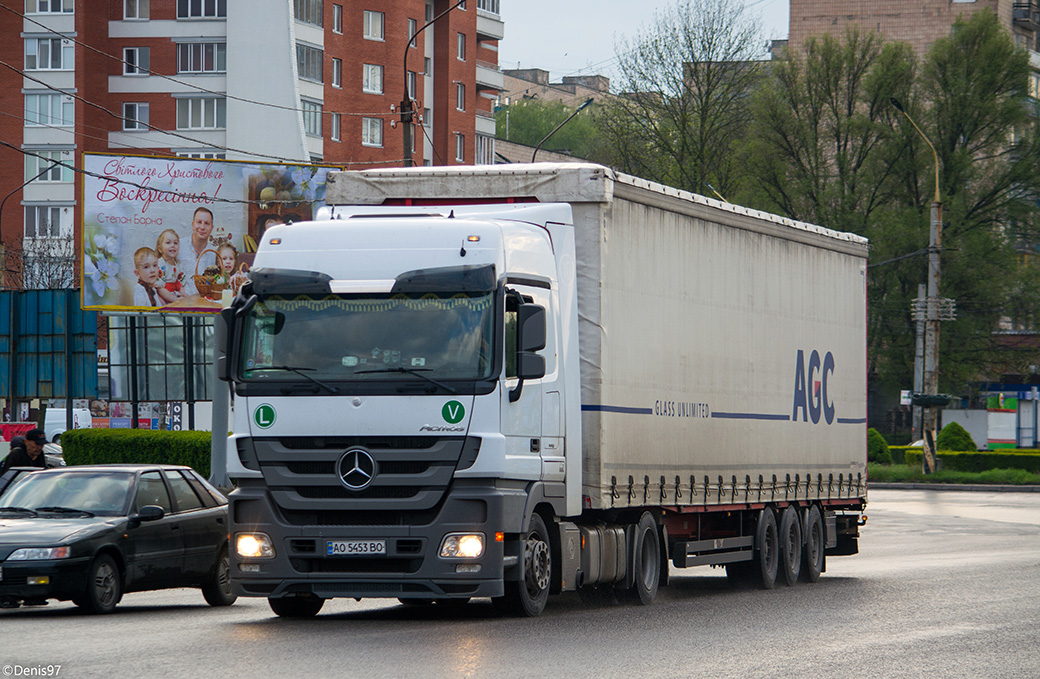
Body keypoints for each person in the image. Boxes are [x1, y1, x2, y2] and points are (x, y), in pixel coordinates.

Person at [184, 206, 218, 295]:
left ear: (211, 228)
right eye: (199, 222)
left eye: (207, 223)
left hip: (203, 302)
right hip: (178, 301)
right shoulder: (178, 247)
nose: (202, 227)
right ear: (193, 225)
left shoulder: (214, 254)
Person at [154, 229, 187, 303]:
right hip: (164, 296)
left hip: (174, 295)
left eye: (175, 243)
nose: (172, 245)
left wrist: (185, 296)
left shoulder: (178, 265)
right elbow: (160, 288)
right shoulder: (160, 264)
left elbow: (180, 284)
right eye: (168, 243)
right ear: (160, 249)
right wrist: (174, 299)